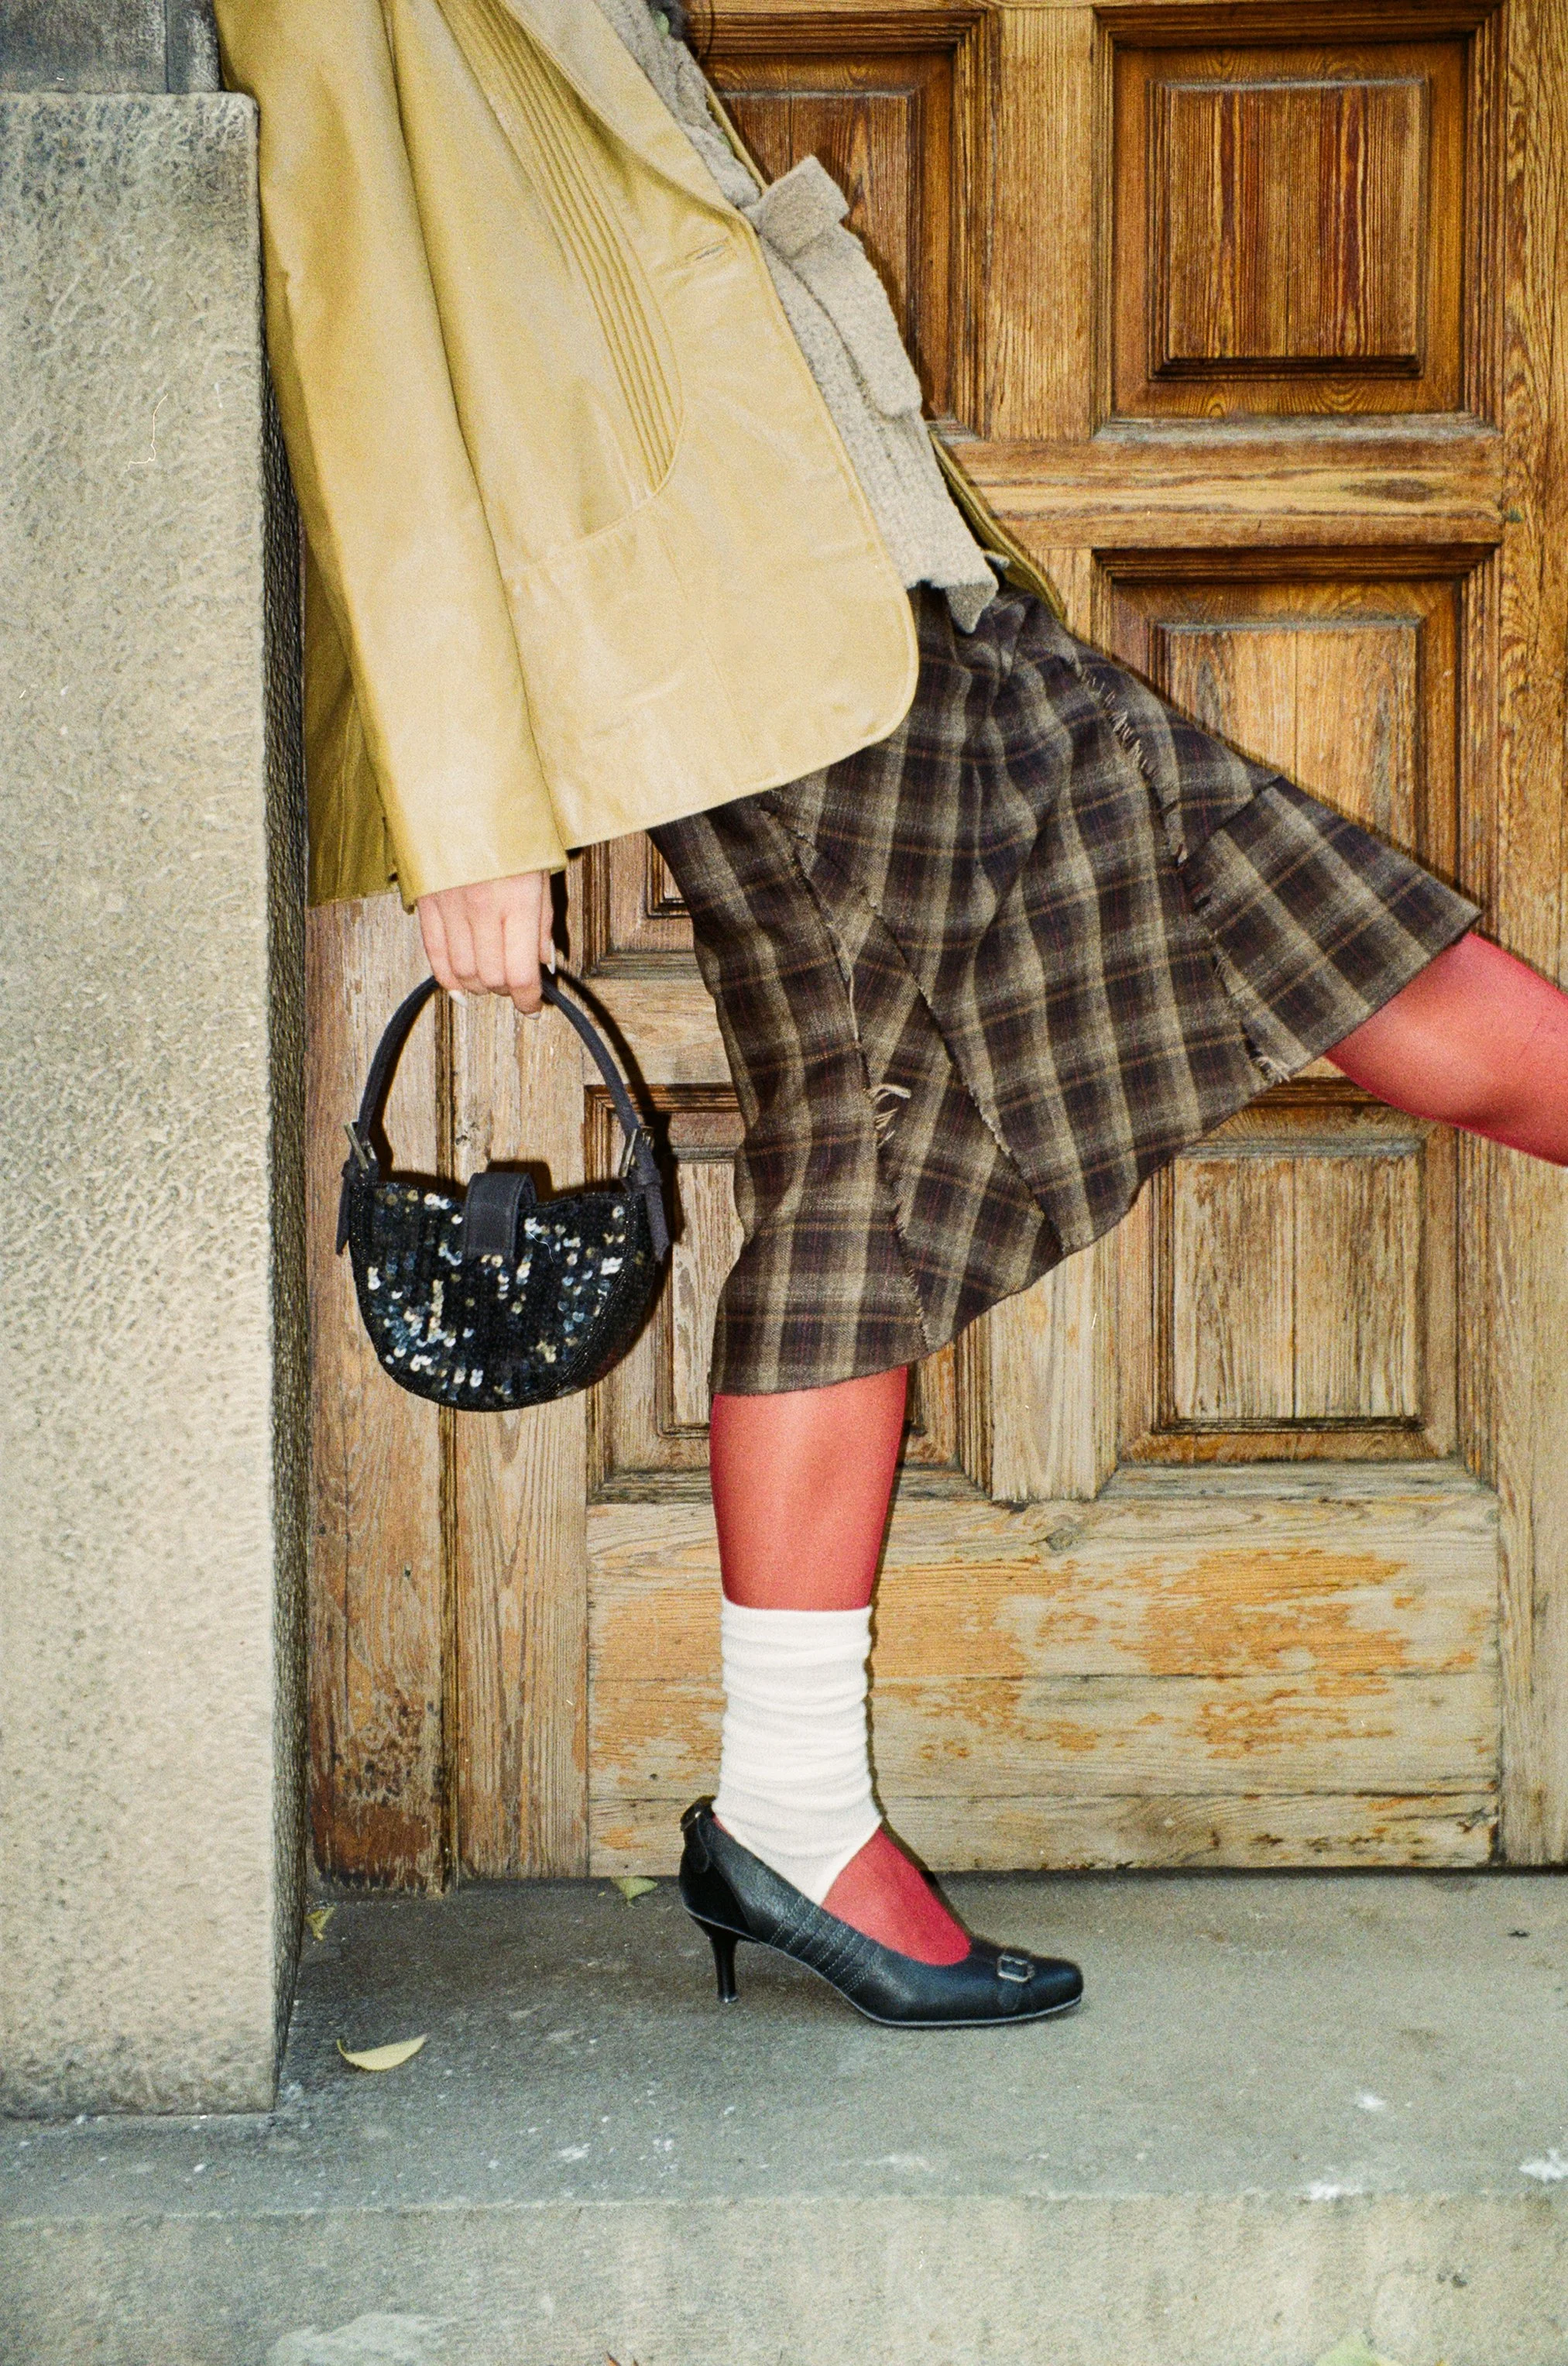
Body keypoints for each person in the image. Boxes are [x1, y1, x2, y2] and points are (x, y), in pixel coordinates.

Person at [218, 0, 1568, 2028]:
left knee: (926, 1113)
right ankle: (788, 1807)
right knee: (1140, 1006)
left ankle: (791, 1809)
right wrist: (468, 813)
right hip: (730, 618)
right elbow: (361, 324)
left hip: (833, 589)